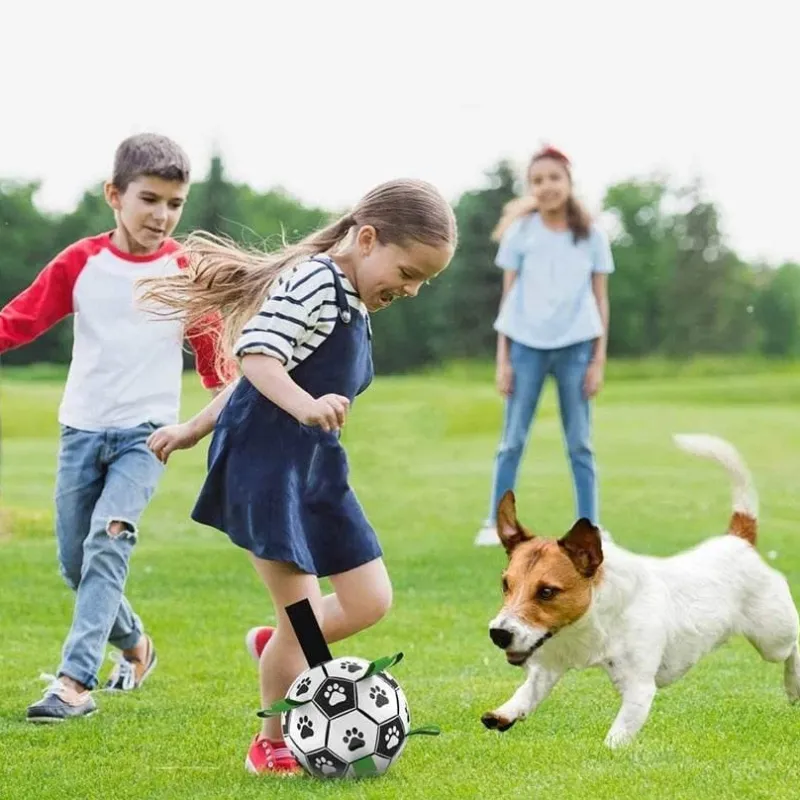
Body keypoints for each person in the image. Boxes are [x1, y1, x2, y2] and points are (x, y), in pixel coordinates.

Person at [138, 178, 457, 775]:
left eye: (423, 282)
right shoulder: (315, 279)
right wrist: (300, 407)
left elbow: (247, 377)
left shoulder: (356, 299)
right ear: (367, 239)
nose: (411, 290)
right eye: (408, 271)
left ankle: (277, 647)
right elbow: (257, 356)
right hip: (265, 469)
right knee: (304, 620)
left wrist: (193, 426)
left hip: (315, 470)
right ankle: (272, 738)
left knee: (369, 600)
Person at [0, 133, 225, 721]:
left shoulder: (184, 272)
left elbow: (214, 362)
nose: (162, 215)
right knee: (76, 562)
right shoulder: (81, 263)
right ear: (114, 195)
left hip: (147, 436)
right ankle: (136, 644)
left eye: (174, 204)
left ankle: (75, 682)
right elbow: (18, 321)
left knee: (109, 539)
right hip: (80, 430)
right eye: (149, 199)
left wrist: (227, 413)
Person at [475, 146, 614, 546]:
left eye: (554, 178)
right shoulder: (521, 233)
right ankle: (494, 523)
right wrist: (503, 360)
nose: (546, 186)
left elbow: (601, 299)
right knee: (512, 440)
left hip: (576, 347)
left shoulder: (591, 236)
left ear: (569, 183)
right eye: (537, 180)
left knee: (580, 443)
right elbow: (508, 297)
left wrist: (597, 360)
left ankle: (591, 524)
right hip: (525, 347)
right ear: (530, 188)